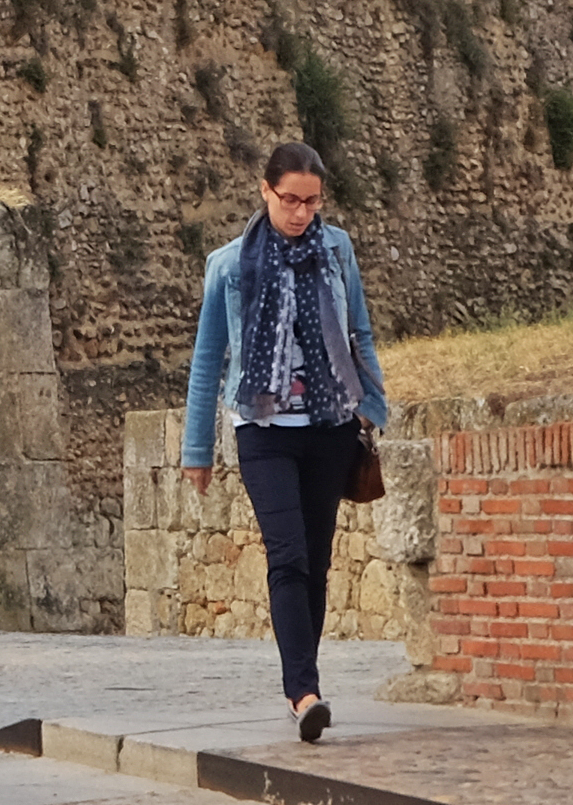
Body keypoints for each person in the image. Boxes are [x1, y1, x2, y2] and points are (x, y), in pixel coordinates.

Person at [179, 140, 393, 744]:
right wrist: (197, 450)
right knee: (289, 555)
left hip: (330, 429)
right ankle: (304, 693)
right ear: (265, 191)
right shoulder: (228, 266)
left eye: (312, 201)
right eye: (290, 200)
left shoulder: (336, 250)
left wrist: (374, 409)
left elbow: (360, 332)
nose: (301, 213)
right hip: (263, 431)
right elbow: (207, 361)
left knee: (318, 562)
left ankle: (306, 686)